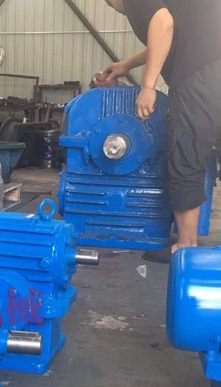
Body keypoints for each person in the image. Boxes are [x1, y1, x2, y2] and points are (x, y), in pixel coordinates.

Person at [103, 0, 221, 262]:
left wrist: (148, 87)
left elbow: (163, 23)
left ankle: (186, 245)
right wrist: (127, 64)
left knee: (185, 151)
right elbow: (170, 35)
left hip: (200, 72)